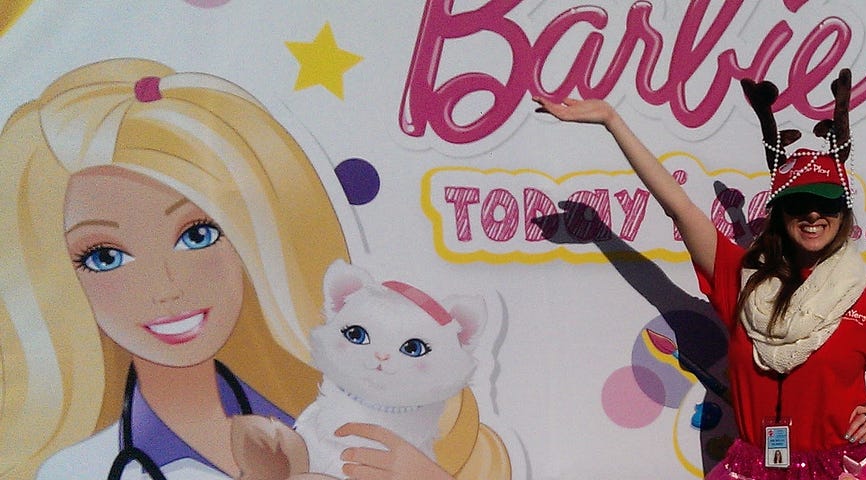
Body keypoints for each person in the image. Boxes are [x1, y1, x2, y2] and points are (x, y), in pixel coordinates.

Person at [0, 58, 509, 479]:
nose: (166, 286)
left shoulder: (345, 415)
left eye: (198, 235)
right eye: (105, 256)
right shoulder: (78, 467)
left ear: (257, 240)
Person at [534, 69, 866, 479]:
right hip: (758, 466)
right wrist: (613, 122)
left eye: (826, 205)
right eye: (799, 204)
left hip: (844, 469)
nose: (813, 214)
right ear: (780, 213)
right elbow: (680, 208)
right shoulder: (742, 280)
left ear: (842, 214)